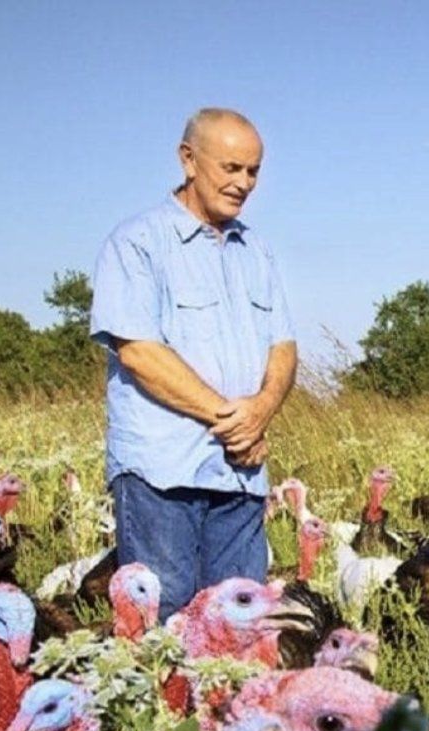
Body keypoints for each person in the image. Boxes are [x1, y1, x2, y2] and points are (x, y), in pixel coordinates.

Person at [90, 107, 297, 619]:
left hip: (240, 474)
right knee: (166, 622)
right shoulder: (137, 243)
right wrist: (233, 419)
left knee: (241, 628)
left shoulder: (258, 253)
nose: (243, 182)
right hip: (164, 473)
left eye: (253, 171)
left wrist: (263, 409)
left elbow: (284, 347)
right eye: (230, 168)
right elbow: (139, 351)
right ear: (188, 160)